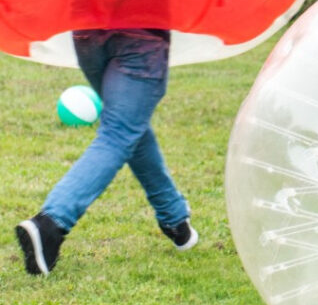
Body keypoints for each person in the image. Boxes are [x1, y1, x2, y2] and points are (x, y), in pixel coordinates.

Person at [16, 28, 198, 276]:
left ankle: (175, 220)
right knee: (120, 131)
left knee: (130, 126)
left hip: (89, 34)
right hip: (140, 35)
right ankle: (51, 222)